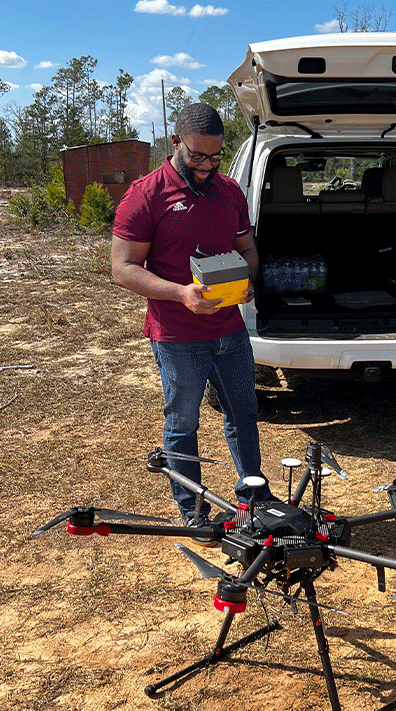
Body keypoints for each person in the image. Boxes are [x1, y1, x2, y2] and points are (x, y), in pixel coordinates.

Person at [111, 102, 273, 534]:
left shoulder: (229, 192)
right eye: (198, 156)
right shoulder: (146, 194)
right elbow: (122, 268)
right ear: (176, 142)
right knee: (182, 422)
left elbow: (247, 248)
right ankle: (193, 510)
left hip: (229, 332)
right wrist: (182, 294)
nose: (207, 165)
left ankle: (253, 496)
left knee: (243, 414)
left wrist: (247, 280)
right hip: (178, 335)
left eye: (216, 156)